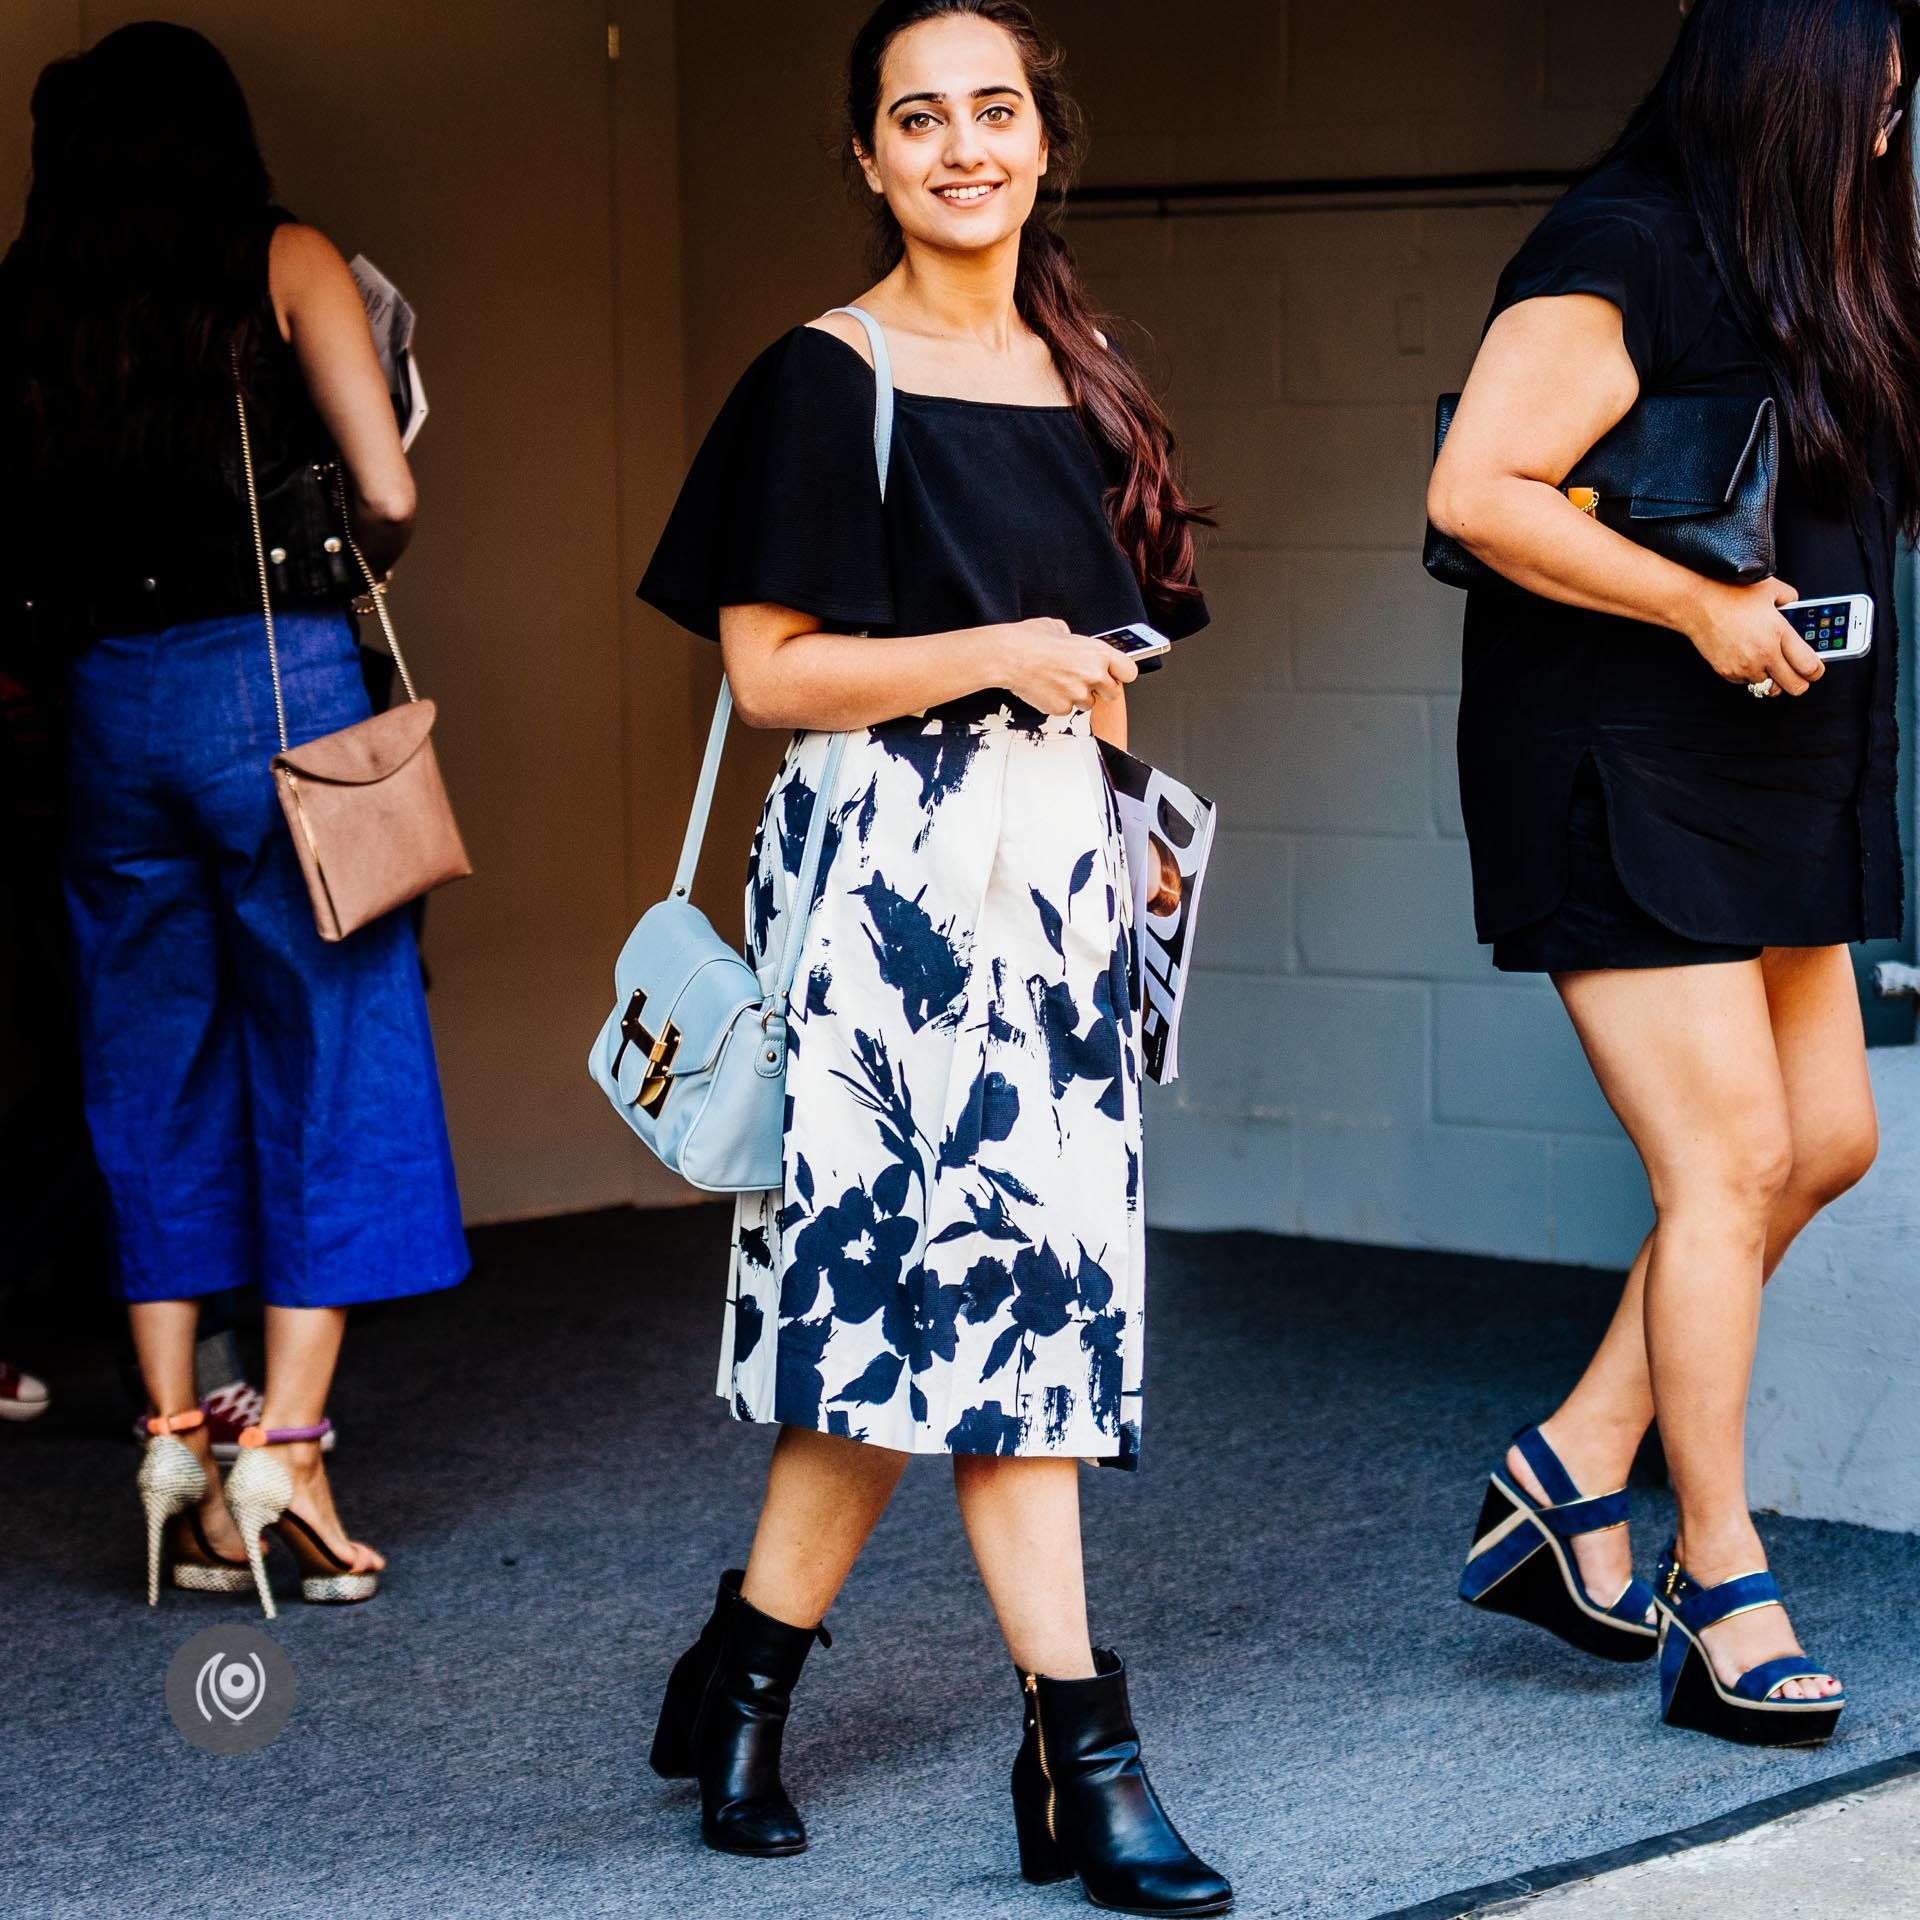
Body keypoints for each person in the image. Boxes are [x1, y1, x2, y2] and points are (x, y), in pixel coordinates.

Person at [636, 3, 1229, 1909]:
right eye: (919, 118)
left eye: (995, 111)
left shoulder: (1091, 375)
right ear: (873, 160)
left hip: (1058, 892)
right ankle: (1086, 1760)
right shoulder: (829, 376)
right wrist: (995, 653)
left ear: (1044, 141)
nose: (962, 144)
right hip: (890, 894)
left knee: (968, 1327)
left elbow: (1112, 673)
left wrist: (1138, 897)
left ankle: (742, 1682)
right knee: (966, 1324)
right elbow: (768, 669)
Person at [1429, 0, 1920, 1747]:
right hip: (1620, 765)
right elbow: (1479, 491)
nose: (1886, 112)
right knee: (1728, 1165)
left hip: (1771, 766)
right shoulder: (1620, 246)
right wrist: (1698, 606)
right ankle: (1717, 1583)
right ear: (1789, 83)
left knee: (1828, 1143)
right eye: (1870, 79)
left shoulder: (1810, 263)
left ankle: (1567, 1468)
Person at [0, 23, 468, 1618]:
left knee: (149, 1067)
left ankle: (174, 1454)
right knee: (336, 1051)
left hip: (104, 711)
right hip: (279, 691)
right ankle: (291, 1450)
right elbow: (385, 494)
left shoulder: (31, 294)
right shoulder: (285, 258)